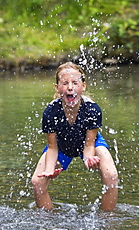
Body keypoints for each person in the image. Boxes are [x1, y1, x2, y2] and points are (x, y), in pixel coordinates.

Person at [31, 62, 118, 211]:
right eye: (65, 83)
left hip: (90, 144)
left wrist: (88, 159)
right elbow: (52, 147)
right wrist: (50, 169)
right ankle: (48, 222)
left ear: (83, 86)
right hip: (61, 146)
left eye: (75, 83)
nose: (70, 87)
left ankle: (107, 220)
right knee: (37, 182)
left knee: (112, 176)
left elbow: (89, 144)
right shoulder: (51, 112)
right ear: (57, 88)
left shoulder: (92, 109)